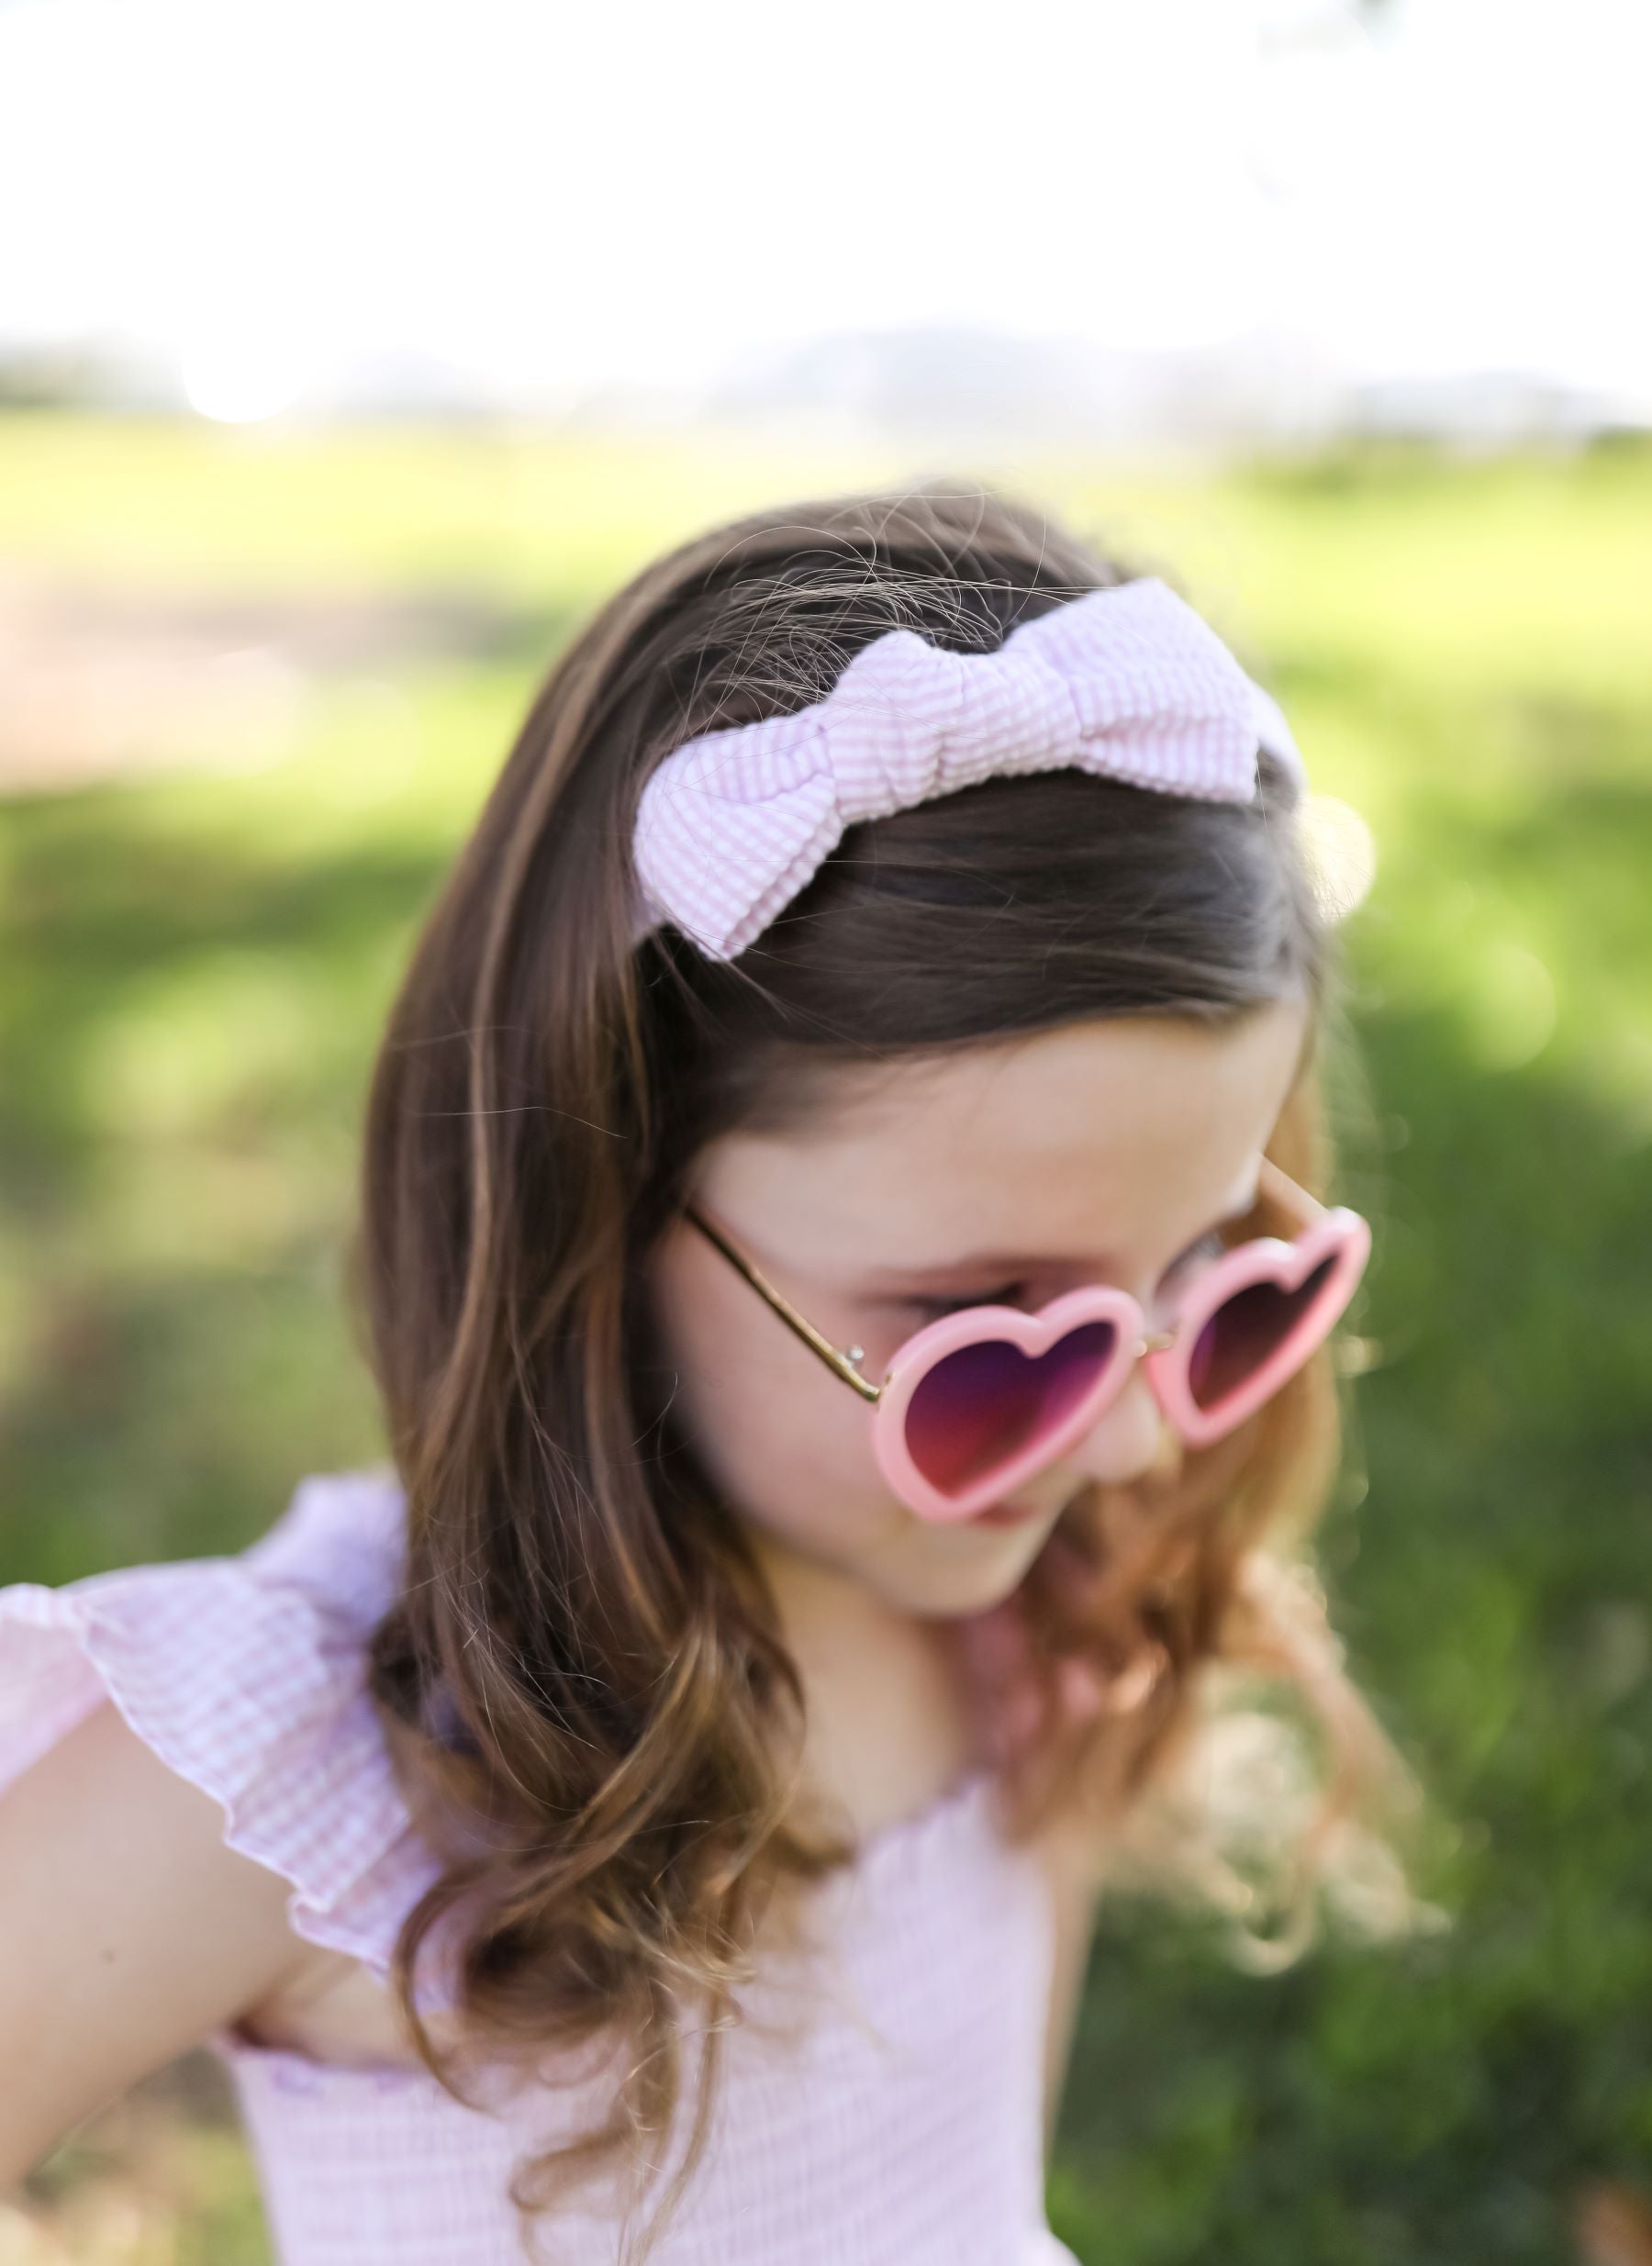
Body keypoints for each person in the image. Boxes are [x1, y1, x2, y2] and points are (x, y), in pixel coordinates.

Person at [0, 483, 1425, 2265]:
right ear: (600, 1201)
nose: (1137, 1435)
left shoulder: (1023, 1617)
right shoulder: (330, 1768)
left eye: (1214, 1273)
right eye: (989, 1326)